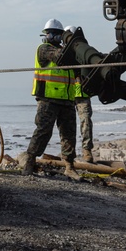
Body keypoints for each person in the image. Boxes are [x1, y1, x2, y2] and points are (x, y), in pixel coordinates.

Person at [19, 18, 80, 179]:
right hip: (48, 99)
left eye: (57, 33)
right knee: (43, 131)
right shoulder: (44, 49)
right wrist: (75, 48)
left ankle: (69, 166)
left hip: (67, 100)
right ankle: (29, 162)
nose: (54, 36)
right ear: (46, 34)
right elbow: (58, 57)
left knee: (69, 134)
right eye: (51, 33)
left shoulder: (67, 52)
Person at [66, 25, 95, 164]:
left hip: (82, 94)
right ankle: (68, 153)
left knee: (86, 122)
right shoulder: (64, 54)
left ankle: (86, 150)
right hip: (68, 94)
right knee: (67, 126)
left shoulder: (84, 51)